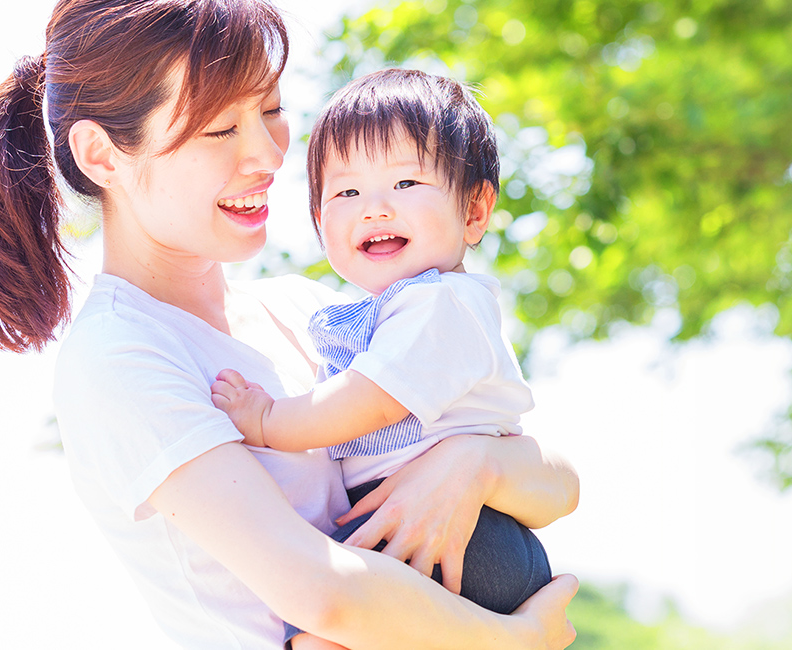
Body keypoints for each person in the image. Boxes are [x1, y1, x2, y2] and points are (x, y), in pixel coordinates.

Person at [0, 1, 579, 648]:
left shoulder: (309, 313)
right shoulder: (120, 356)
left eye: (272, 111)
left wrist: (474, 463)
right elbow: (323, 595)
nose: (269, 154)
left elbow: (559, 486)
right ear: (102, 155)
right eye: (221, 129)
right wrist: (517, 640)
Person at [210, 68, 551, 650]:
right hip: (443, 524)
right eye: (346, 192)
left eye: (407, 183)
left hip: (470, 538)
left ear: (474, 211)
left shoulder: (442, 304)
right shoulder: (388, 311)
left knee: (323, 624)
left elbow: (370, 401)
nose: (374, 208)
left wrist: (269, 421)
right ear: (319, 221)